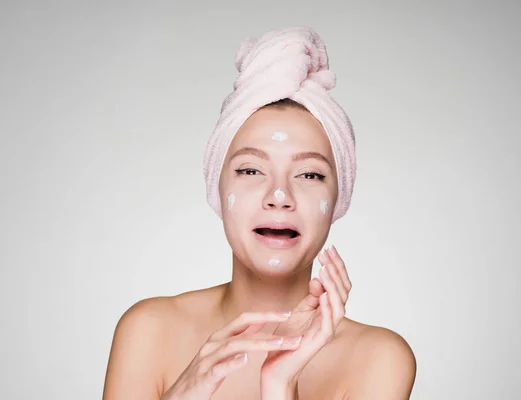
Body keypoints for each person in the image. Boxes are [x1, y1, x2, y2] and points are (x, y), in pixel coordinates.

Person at [102, 27, 416, 399]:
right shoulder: (148, 331)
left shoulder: (379, 359)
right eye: (251, 170)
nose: (279, 196)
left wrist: (280, 385)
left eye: (310, 174)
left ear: (338, 199)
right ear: (216, 189)